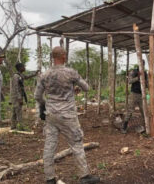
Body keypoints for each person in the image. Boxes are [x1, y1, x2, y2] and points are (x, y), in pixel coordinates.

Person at [34, 47, 99, 184]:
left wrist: (45, 105)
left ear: (53, 57)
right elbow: (86, 88)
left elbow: (37, 96)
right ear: (63, 56)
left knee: (50, 146)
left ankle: (50, 178)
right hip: (68, 115)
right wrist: (73, 87)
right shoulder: (70, 73)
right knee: (76, 143)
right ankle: (84, 176)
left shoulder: (44, 75)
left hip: (51, 114)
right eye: (65, 54)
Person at [121, 61, 148, 134]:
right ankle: (124, 126)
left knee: (144, 111)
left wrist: (145, 82)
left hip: (141, 94)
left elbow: (147, 84)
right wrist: (137, 78)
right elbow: (129, 81)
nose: (142, 66)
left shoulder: (145, 73)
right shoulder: (133, 72)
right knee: (130, 111)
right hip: (134, 94)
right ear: (138, 64)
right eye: (140, 64)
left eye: (143, 64)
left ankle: (147, 127)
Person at [10, 63, 39, 129]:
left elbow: (27, 77)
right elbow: (16, 88)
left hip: (19, 96)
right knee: (18, 111)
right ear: (20, 68)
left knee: (15, 111)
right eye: (23, 66)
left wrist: (35, 73)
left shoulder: (20, 75)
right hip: (16, 97)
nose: (25, 68)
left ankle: (13, 126)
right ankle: (21, 127)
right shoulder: (16, 76)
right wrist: (19, 98)